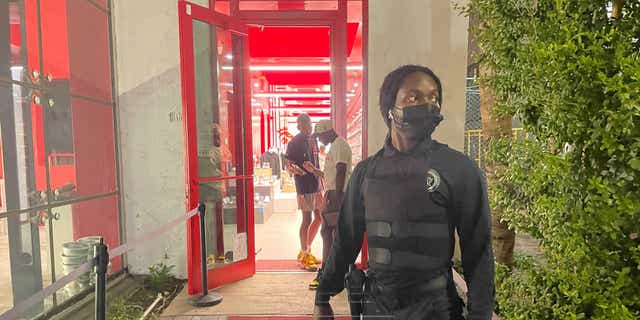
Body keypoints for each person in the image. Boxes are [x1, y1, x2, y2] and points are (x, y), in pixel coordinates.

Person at [313, 65, 495, 319]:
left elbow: (479, 252)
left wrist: (481, 314)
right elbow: (346, 241)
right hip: (378, 308)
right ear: (390, 109)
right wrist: (323, 295)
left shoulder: (459, 169)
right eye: (414, 97)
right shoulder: (366, 173)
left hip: (437, 309)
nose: (428, 104)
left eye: (434, 97)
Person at [303, 119, 352, 290]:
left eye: (319, 136)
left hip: (335, 195)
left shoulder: (340, 145)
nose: (319, 140)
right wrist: (315, 171)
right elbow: (332, 175)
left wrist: (336, 197)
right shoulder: (336, 146)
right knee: (329, 233)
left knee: (329, 233)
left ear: (327, 132)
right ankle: (330, 272)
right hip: (333, 193)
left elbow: (341, 171)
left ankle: (327, 273)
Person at [285, 113, 323, 270]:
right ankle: (305, 252)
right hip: (304, 186)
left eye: (309, 124)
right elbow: (288, 164)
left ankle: (306, 249)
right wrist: (296, 170)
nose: (308, 127)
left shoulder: (313, 139)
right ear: (299, 126)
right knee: (306, 219)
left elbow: (315, 161)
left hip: (316, 185)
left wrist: (318, 174)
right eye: (304, 124)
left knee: (319, 217)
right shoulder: (294, 142)